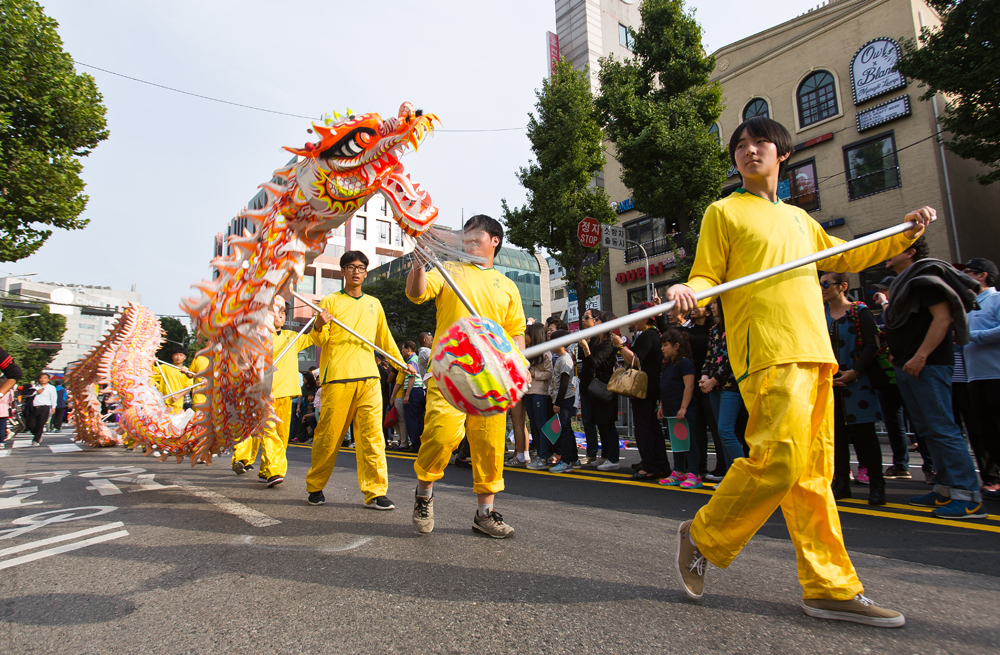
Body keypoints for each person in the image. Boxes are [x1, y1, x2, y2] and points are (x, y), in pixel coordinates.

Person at [667, 116, 934, 626]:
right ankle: (703, 532)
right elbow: (706, 273)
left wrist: (908, 229)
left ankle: (829, 587)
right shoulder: (723, 211)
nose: (749, 151)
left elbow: (850, 254)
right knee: (781, 460)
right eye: (740, 146)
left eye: (760, 143)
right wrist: (689, 289)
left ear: (781, 153)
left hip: (815, 352)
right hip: (765, 350)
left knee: (814, 478)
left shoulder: (799, 219)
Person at [406, 214, 526, 538]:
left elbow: (516, 334)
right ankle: (423, 494)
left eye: (477, 235)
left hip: (490, 382)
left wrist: (517, 368)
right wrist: (418, 262)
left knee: (489, 446)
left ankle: (485, 514)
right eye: (466, 235)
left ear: (494, 241)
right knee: (442, 437)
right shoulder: (450, 271)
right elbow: (416, 293)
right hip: (449, 376)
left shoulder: (509, 286)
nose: (469, 240)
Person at [883, 239, 984, 519]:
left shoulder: (926, 279)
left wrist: (921, 355)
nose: (885, 253)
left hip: (927, 365)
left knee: (942, 428)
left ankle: (969, 498)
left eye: (892, 247)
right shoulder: (905, 282)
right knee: (927, 430)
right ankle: (944, 489)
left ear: (910, 252)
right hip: (907, 365)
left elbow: (942, 319)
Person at [306, 250, 412, 510]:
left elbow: (384, 339)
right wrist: (318, 324)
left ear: (366, 272)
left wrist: (401, 364)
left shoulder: (374, 303)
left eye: (361, 267)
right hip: (338, 378)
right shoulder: (330, 301)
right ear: (343, 271)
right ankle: (315, 486)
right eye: (351, 267)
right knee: (329, 436)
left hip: (369, 379)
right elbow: (319, 340)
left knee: (372, 436)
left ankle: (375, 492)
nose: (356, 271)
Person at [231, 297, 312, 487]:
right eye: (275, 311)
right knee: (266, 432)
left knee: (282, 435)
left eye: (283, 312)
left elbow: (314, 337)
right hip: (262, 395)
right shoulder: (255, 338)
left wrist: (319, 322)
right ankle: (271, 469)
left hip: (285, 393)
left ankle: (266, 470)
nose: (279, 316)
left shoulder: (292, 337)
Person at [820, 272, 886, 506]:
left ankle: (877, 486)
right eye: (821, 285)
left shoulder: (859, 310)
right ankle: (842, 484)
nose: (823, 288)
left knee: (864, 435)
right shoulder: (822, 315)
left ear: (843, 286)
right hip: (831, 382)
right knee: (836, 435)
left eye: (827, 284)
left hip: (858, 382)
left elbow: (872, 344)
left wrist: (855, 371)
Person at [612, 302, 669, 481]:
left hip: (644, 389)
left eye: (634, 315)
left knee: (644, 428)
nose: (630, 318)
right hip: (649, 388)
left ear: (645, 318)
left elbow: (636, 361)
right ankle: (657, 464)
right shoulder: (650, 335)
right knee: (652, 428)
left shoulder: (647, 336)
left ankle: (651, 466)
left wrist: (620, 347)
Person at [959, 258, 1000, 500]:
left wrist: (970, 335)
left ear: (982, 275)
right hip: (973, 377)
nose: (962, 277)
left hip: (996, 374)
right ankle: (991, 479)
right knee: (983, 432)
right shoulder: (967, 305)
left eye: (967, 273)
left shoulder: (996, 299)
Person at [699, 298, 745, 477]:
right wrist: (704, 376)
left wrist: (713, 380)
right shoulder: (714, 331)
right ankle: (729, 474)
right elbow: (710, 356)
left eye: (715, 303)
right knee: (721, 431)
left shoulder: (735, 328)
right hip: (714, 387)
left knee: (726, 430)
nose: (712, 306)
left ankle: (742, 475)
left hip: (730, 386)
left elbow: (733, 359)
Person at [577, 309, 621, 471]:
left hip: (605, 386)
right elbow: (586, 361)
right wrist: (586, 346)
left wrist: (586, 348)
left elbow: (595, 363)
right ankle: (605, 456)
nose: (593, 322)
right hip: (595, 387)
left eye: (596, 320)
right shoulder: (597, 341)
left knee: (607, 423)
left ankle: (614, 458)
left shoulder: (609, 342)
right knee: (600, 423)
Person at [657, 329, 700, 488]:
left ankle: (694, 473)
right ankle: (679, 471)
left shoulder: (685, 363)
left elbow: (689, 386)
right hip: (670, 408)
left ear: (676, 346)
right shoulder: (668, 364)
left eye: (665, 345)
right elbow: (664, 386)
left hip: (682, 408)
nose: (663, 348)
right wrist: (661, 405)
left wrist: (683, 408)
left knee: (689, 441)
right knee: (677, 441)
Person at [547, 329, 579, 473]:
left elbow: (565, 383)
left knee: (565, 430)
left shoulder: (565, 359)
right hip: (562, 399)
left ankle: (566, 462)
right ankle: (573, 458)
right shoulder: (561, 358)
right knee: (566, 429)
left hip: (564, 400)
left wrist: (558, 403)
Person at [524, 323, 554, 470]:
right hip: (528, 393)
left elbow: (549, 374)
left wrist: (533, 374)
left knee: (541, 425)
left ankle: (543, 457)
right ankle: (540, 455)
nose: (525, 337)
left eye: (527, 334)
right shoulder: (528, 351)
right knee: (534, 425)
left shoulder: (545, 353)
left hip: (540, 393)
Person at [399, 340, 426, 452]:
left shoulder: (411, 360)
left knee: (411, 419)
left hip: (413, 391)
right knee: (418, 418)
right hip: (419, 391)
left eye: (403, 348)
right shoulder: (416, 358)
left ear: (409, 349)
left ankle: (415, 444)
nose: (402, 351)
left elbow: (412, 377)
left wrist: (407, 395)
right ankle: (420, 443)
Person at [151, 348, 194, 414]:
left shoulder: (187, 371)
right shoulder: (164, 367)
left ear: (184, 357)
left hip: (176, 403)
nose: (178, 357)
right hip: (162, 401)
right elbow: (150, 372)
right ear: (172, 356)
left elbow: (188, 387)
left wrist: (178, 396)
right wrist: (151, 360)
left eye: (181, 355)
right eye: (176, 355)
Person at [28, 373, 57, 445]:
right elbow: (28, 394)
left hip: (44, 407)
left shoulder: (51, 388)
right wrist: (36, 392)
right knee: (30, 424)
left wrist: (53, 407)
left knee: (41, 424)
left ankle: (36, 439)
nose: (42, 379)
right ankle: (36, 434)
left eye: (45, 378)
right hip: (34, 407)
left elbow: (53, 398)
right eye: (41, 378)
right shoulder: (35, 387)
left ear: (48, 379)